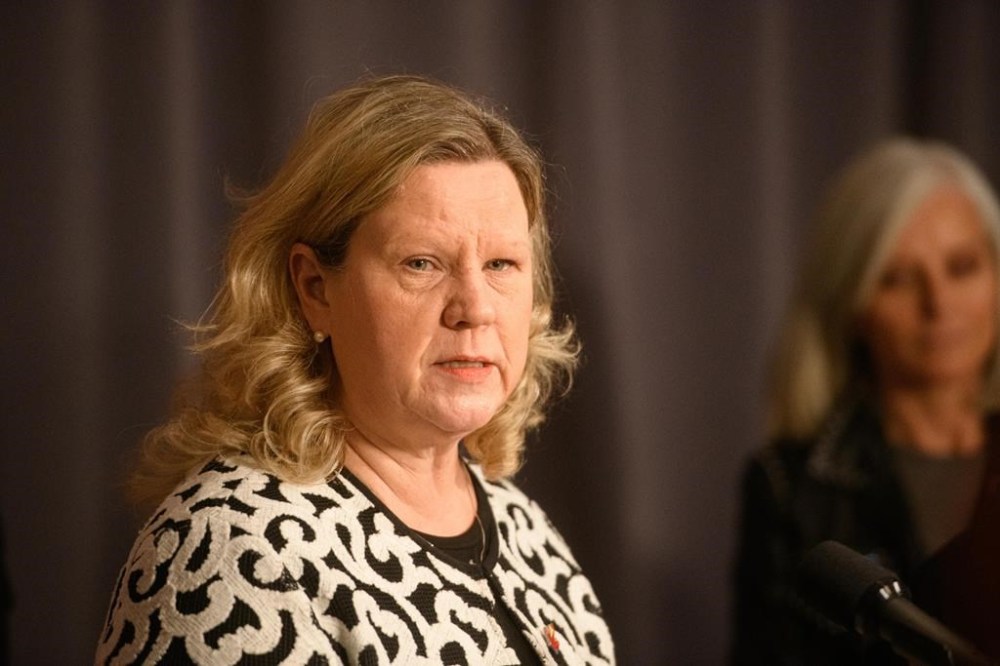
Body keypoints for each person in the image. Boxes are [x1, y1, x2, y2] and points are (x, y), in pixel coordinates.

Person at [95, 74, 615, 665]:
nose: (474, 307)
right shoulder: (230, 549)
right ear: (315, 287)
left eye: (501, 263)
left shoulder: (521, 526)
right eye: (422, 263)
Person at [731, 137, 1000, 665]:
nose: (938, 303)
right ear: (851, 303)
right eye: (899, 278)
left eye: (962, 266)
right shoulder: (788, 488)